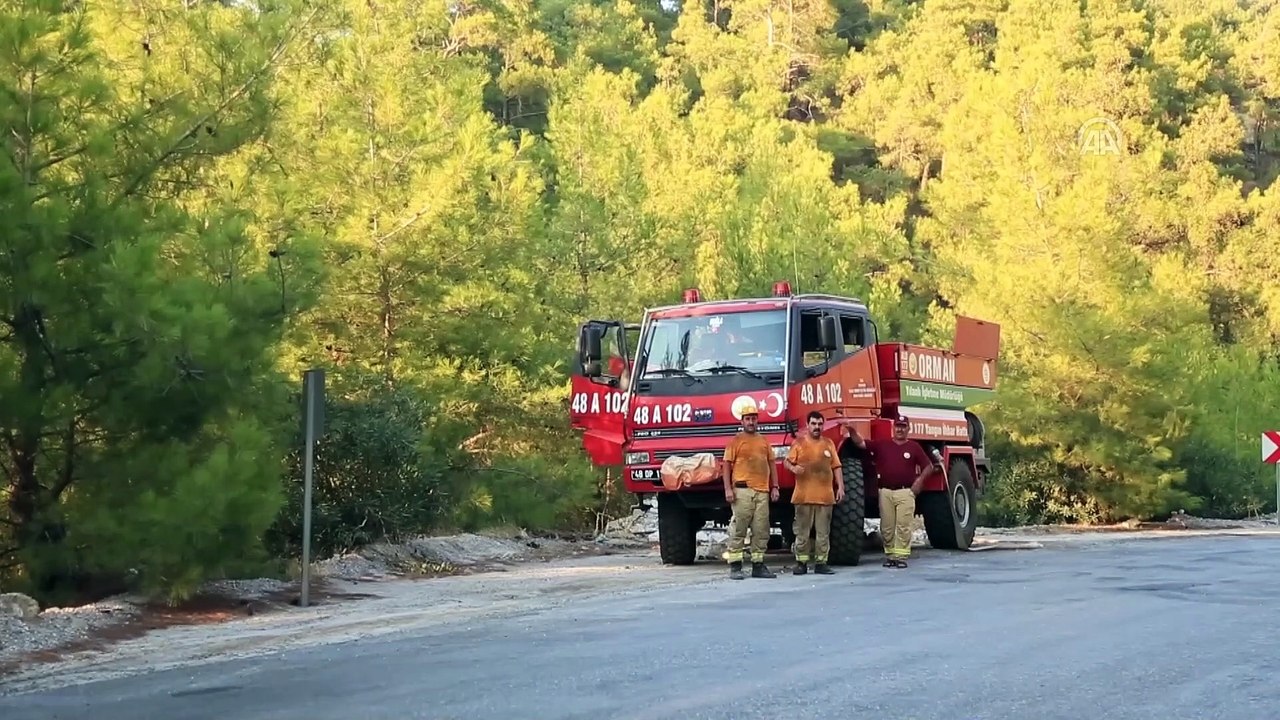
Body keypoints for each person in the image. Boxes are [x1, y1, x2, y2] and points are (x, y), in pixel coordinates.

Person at [841, 415, 934, 568]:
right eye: (898, 426)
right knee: (887, 527)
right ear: (893, 427)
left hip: (905, 492)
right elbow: (861, 443)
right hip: (885, 492)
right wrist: (851, 430)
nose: (900, 429)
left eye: (903, 426)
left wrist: (919, 482)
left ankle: (901, 557)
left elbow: (929, 466)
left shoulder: (914, 447)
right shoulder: (882, 444)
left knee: (903, 525)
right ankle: (891, 556)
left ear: (908, 429)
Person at [722, 400, 779, 580]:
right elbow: (726, 466)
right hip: (742, 491)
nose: (751, 422)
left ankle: (758, 565)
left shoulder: (763, 441)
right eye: (748, 419)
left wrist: (775, 487)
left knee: (761, 530)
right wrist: (728, 490)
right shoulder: (735, 441)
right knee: (739, 529)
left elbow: (772, 464)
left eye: (754, 418)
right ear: (742, 421)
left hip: (762, 491)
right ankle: (736, 566)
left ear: (757, 420)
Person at [783, 410, 845, 575]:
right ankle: (801, 563)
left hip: (825, 497)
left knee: (823, 533)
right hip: (803, 497)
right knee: (802, 533)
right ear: (807, 425)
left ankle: (821, 563)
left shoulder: (829, 444)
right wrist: (794, 468)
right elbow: (786, 462)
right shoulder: (799, 443)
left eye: (819, 424)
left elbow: (836, 466)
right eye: (813, 424)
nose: (817, 427)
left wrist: (841, 487)